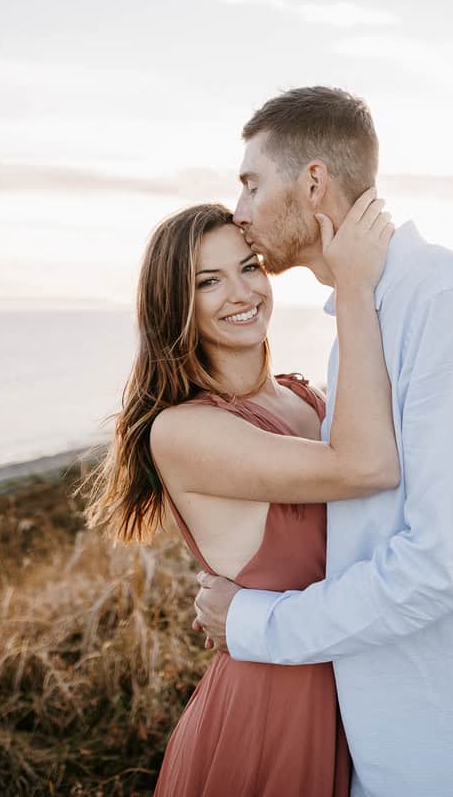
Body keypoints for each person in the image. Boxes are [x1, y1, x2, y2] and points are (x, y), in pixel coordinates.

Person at [192, 86, 453, 796]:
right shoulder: (363, 319)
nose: (241, 209)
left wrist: (259, 622)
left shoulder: (449, 301)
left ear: (313, 182)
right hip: (404, 739)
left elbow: (443, 564)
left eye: (253, 183)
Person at [81, 193, 397, 795]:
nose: (243, 293)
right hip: (273, 711)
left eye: (249, 266)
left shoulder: (306, 400)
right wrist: (354, 287)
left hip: (363, 695)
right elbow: (364, 469)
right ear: (175, 304)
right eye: (209, 281)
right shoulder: (183, 429)